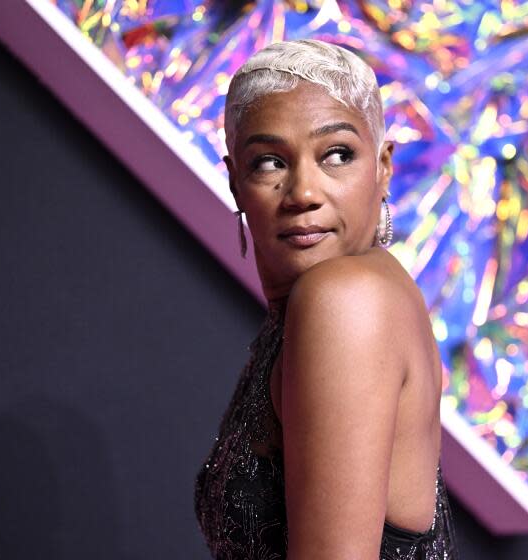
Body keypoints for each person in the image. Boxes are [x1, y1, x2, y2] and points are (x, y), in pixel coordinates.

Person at [194, 39, 458, 559]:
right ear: (234, 181)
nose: (304, 193)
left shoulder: (344, 300)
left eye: (337, 154)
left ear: (383, 167)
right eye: (270, 162)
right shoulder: (346, 296)